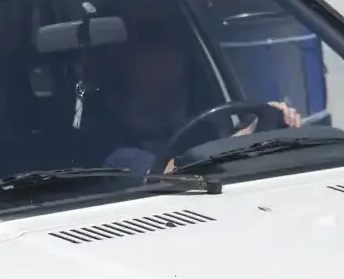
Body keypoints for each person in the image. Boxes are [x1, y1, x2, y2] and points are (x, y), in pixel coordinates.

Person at [94, 17, 304, 176]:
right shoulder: (113, 148)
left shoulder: (207, 125)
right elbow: (171, 175)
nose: (173, 55)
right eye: (154, 42)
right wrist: (246, 137)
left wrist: (275, 126)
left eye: (177, 45)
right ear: (126, 63)